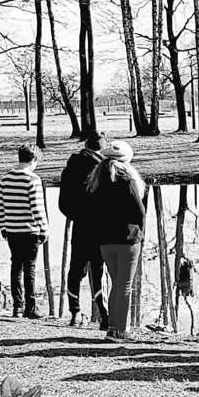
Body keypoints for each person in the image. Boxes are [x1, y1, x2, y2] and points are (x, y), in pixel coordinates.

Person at [86, 139, 147, 341]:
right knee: (125, 286)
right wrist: (139, 232)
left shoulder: (97, 182)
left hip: (105, 241)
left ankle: (112, 326)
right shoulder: (128, 181)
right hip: (127, 241)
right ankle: (119, 330)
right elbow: (140, 212)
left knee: (116, 284)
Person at [59, 130, 108, 328]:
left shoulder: (70, 167)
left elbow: (63, 203)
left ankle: (75, 312)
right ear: (102, 147)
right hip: (99, 226)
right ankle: (104, 315)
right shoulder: (104, 168)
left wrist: (76, 215)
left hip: (80, 225)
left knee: (75, 269)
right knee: (98, 269)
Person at [0, 145, 50, 319]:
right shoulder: (33, 179)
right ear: (33, 160)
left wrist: (3, 227)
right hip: (30, 230)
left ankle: (17, 306)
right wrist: (44, 229)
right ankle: (31, 306)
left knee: (16, 267)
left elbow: (0, 207)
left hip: (12, 230)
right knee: (30, 269)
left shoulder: (6, 178)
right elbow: (37, 208)